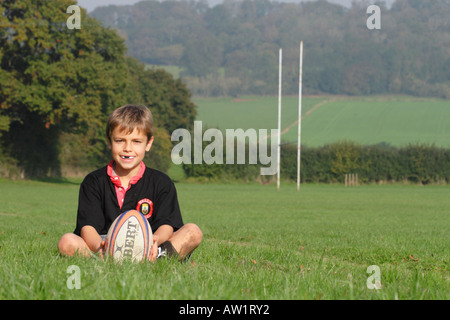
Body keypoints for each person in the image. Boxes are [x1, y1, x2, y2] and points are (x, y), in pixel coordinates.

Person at [58, 104, 202, 262]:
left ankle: (155, 260)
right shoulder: (93, 181)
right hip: (104, 245)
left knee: (193, 232)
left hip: (149, 246)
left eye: (136, 141)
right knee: (67, 241)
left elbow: (167, 226)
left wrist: (154, 241)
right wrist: (101, 246)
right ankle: (102, 262)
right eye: (120, 141)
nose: (128, 148)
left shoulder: (162, 182)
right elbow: (87, 228)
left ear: (148, 143)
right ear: (109, 141)